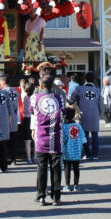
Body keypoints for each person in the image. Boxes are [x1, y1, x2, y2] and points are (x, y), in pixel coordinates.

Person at [32, 72, 65, 206]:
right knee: (56, 168)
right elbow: (62, 114)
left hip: (40, 138)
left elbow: (33, 112)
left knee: (41, 168)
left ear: (40, 84)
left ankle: (41, 195)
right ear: (52, 85)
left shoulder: (35, 98)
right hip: (56, 137)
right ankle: (56, 197)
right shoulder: (59, 98)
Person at [71, 72, 102, 160]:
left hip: (83, 114)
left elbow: (71, 99)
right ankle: (95, 154)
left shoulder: (79, 89)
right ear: (94, 79)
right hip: (95, 114)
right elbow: (101, 105)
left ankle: (87, 154)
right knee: (95, 135)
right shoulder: (97, 90)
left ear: (85, 78)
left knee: (84, 135)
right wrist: (98, 114)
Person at [60, 106, 86, 193]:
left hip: (67, 151)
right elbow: (83, 138)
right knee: (76, 168)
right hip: (77, 150)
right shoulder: (78, 125)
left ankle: (67, 185)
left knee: (67, 168)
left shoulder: (64, 127)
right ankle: (76, 185)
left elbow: (62, 140)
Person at [0, 76, 21, 165]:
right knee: (14, 139)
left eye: (0, 81)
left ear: (4, 82)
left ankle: (5, 158)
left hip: (6, 117)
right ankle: (14, 159)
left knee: (5, 140)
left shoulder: (3, 92)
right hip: (14, 116)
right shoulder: (15, 91)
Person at [22, 78, 38, 164]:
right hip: (34, 118)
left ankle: (28, 158)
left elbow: (23, 91)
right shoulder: (35, 97)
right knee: (35, 139)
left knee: (27, 140)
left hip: (26, 118)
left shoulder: (24, 96)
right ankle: (34, 157)